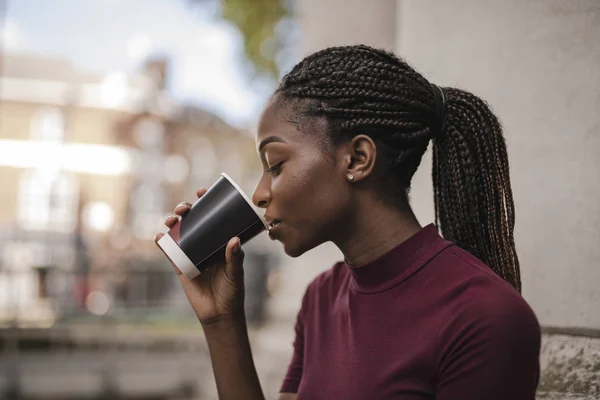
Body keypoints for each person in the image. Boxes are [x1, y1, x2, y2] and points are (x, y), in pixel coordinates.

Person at [155, 45, 541, 400]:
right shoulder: (321, 299)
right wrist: (223, 322)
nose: (259, 194)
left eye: (275, 166)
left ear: (357, 159)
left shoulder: (486, 318)